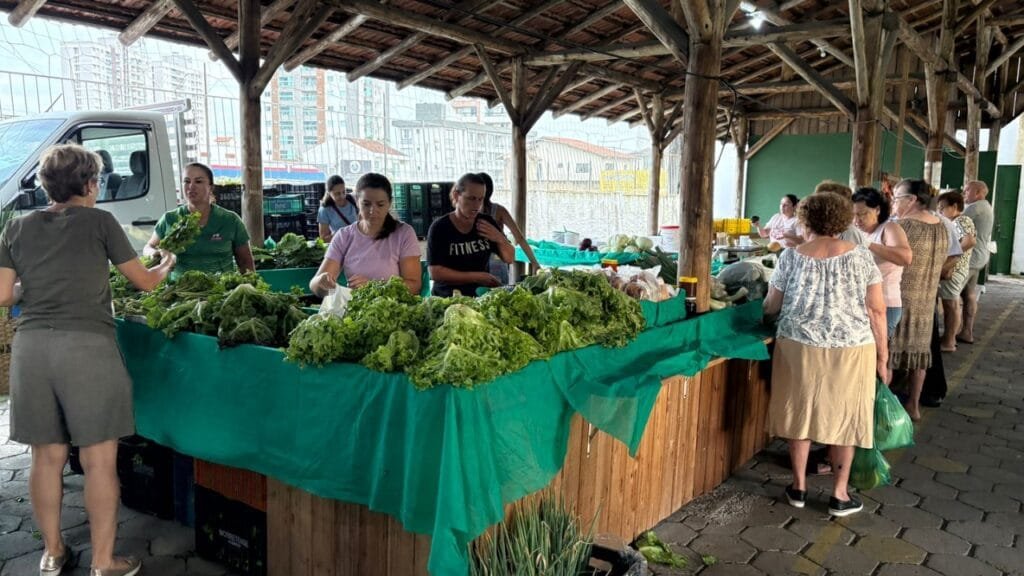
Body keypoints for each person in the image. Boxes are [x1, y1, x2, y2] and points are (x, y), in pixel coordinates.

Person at [0, 144, 176, 576]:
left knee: (46, 457)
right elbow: (145, 283)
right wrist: (166, 263)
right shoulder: (100, 221)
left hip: (32, 350)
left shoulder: (16, 228)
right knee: (98, 459)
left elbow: (4, 296)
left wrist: (34, 288)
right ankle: (103, 561)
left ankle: (52, 553)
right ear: (90, 184)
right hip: (87, 349)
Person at [763, 192, 888, 518]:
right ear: (843, 220)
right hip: (851, 349)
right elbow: (877, 311)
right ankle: (839, 494)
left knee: (800, 414)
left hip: (797, 347)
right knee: (846, 418)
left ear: (805, 220)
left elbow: (771, 306)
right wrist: (884, 358)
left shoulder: (790, 257)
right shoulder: (861, 257)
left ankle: (799, 487)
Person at [890, 179, 949, 421]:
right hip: (926, 300)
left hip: (899, 298)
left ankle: (882, 407)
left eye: (896, 198)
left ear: (912, 199)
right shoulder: (941, 225)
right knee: (919, 356)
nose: (894, 203)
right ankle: (913, 405)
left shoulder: (901, 227)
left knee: (890, 355)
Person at [310, 173, 422, 296]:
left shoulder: (404, 233)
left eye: (380, 204)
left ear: (390, 203)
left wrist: (374, 287)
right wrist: (322, 282)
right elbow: (315, 286)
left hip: (395, 310)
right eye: (366, 204)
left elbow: (414, 285)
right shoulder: (344, 236)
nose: (373, 210)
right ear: (357, 202)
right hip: (357, 311)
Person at [144, 163, 254, 278]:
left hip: (222, 291)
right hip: (180, 291)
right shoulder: (170, 219)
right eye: (186, 181)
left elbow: (245, 261)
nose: (191, 186)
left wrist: (250, 287)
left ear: (211, 187)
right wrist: (154, 253)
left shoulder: (230, 220)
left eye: (198, 181)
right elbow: (148, 247)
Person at [427, 172, 515, 297]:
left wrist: (499, 238)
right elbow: (435, 272)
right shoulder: (440, 228)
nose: (476, 205)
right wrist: (476, 277)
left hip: (480, 296)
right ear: (456, 195)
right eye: (471, 198)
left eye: (480, 199)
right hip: (447, 298)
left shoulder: (486, 222)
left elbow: (509, 258)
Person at [852, 187, 912, 343]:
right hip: (862, 303)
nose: (857, 220)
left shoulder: (889, 228)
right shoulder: (859, 231)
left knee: (878, 353)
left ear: (877, 209)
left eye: (862, 214)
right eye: (854, 215)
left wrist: (868, 244)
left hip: (885, 303)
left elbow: (905, 257)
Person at [478, 172, 539, 283]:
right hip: (488, 261)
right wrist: (534, 262)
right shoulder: (498, 211)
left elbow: (519, 237)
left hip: (495, 261)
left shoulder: (498, 211)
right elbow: (519, 237)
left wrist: (534, 262)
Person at [935, 191, 976, 352]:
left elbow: (970, 241)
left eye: (942, 208)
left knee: (951, 305)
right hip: (953, 268)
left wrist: (950, 256)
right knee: (949, 304)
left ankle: (949, 341)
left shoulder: (960, 220)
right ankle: (948, 338)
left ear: (954, 206)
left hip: (954, 269)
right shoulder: (955, 221)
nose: (940, 212)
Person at [957, 180, 994, 345]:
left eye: (967, 191)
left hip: (970, 258)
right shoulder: (986, 206)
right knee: (969, 294)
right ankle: (967, 331)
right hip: (980, 256)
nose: (964, 193)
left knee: (953, 296)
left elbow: (956, 225)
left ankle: (951, 337)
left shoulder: (974, 208)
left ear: (978, 192)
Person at [317, 174, 358, 241]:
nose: (342, 196)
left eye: (344, 192)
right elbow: (323, 238)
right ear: (329, 193)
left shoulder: (352, 199)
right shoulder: (324, 210)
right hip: (340, 244)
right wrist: (338, 235)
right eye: (337, 193)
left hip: (356, 242)